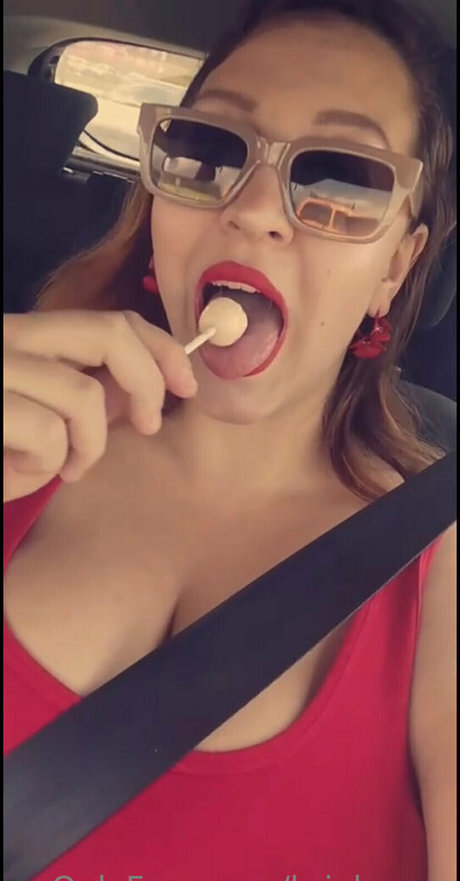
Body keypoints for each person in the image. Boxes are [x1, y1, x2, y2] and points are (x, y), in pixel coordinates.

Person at [3, 0, 456, 878]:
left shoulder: (438, 569)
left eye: (343, 181)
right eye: (210, 150)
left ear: (395, 269)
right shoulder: (23, 438)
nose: (252, 211)